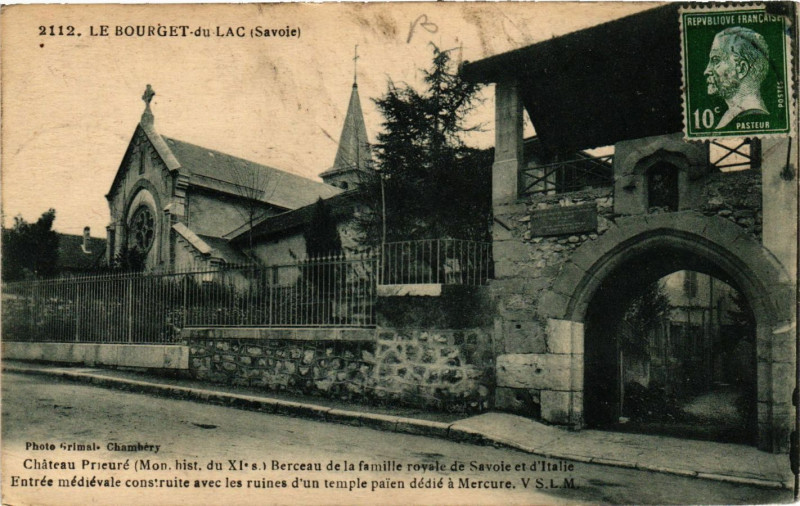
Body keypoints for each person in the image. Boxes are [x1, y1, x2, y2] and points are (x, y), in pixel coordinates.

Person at [703, 26, 770, 129]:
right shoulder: (731, 117)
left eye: (716, 60)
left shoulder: (751, 116)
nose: (706, 71)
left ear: (742, 69)